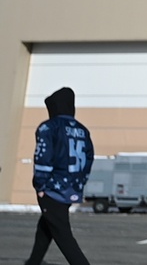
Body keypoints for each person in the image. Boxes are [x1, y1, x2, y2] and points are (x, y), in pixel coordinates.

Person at [25, 86, 94, 265]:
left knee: (63, 235)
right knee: (46, 226)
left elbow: (43, 158)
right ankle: (33, 262)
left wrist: (40, 185)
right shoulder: (83, 130)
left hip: (52, 189)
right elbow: (88, 159)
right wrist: (79, 183)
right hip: (71, 188)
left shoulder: (49, 127)